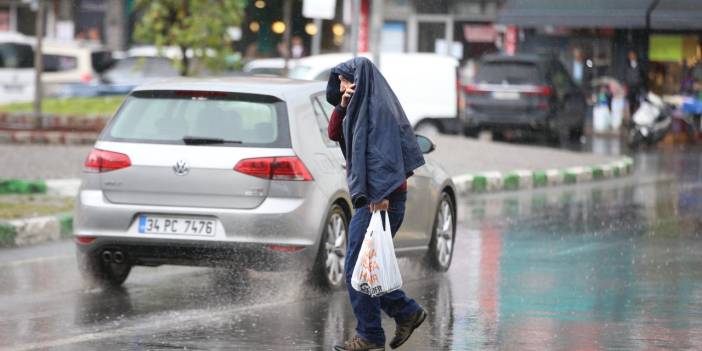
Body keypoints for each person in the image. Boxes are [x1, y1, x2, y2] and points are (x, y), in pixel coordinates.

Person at [326, 57, 427, 351]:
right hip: (373, 199)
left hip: (382, 200)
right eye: (341, 82)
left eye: (346, 80)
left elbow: (385, 156)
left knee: (359, 267)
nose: (342, 85)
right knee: (367, 268)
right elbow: (334, 133)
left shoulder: (378, 110)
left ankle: (370, 335)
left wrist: (381, 195)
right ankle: (407, 312)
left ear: (361, 80)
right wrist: (342, 105)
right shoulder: (357, 108)